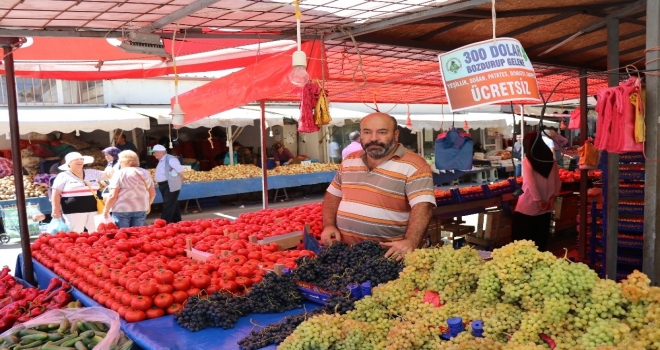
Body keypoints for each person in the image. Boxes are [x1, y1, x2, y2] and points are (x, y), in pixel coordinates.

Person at [321, 112, 436, 261]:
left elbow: (423, 206)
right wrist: (329, 225)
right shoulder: (349, 160)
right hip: (346, 252)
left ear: (395, 135)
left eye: (382, 132)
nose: (373, 138)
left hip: (388, 257)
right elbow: (333, 195)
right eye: (367, 132)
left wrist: (410, 241)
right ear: (360, 134)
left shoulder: (415, 165)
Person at [512, 132, 561, 252]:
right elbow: (558, 182)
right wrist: (551, 199)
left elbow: (530, 184)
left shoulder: (527, 161)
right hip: (547, 207)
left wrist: (539, 201)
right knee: (540, 242)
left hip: (528, 207)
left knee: (523, 244)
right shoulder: (552, 160)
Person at [51, 152, 109, 232]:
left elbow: (109, 175)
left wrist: (111, 168)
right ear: (69, 163)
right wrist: (55, 210)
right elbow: (56, 194)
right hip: (73, 210)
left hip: (94, 208)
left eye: (81, 159)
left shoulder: (92, 172)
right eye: (76, 159)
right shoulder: (63, 176)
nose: (80, 161)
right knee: (75, 233)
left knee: (96, 233)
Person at [102, 150, 156, 228]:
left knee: (123, 236)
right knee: (137, 235)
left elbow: (113, 195)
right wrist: (147, 205)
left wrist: (106, 210)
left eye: (120, 161)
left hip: (122, 209)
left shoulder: (120, 173)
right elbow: (153, 194)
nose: (119, 163)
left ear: (123, 161)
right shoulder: (146, 173)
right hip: (141, 208)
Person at [150, 144, 185, 223]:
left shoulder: (170, 159)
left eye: (154, 152)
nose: (153, 154)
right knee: (173, 203)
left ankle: (164, 221)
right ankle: (176, 220)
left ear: (160, 152)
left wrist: (181, 179)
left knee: (168, 203)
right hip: (164, 184)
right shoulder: (162, 160)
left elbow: (180, 170)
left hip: (170, 183)